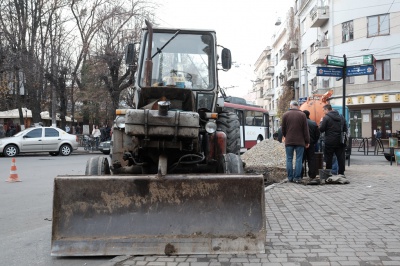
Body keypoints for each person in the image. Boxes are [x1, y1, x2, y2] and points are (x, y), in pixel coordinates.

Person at [281, 100, 310, 183]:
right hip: (300, 141)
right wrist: (307, 141)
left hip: (289, 141)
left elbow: (283, 129)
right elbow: (305, 130)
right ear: (298, 106)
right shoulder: (302, 115)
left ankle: (290, 177)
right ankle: (297, 178)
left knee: (289, 159)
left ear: (290, 106)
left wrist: (286, 136)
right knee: (299, 159)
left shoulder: (285, 115)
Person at [319, 104, 348, 176]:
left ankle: (328, 173)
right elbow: (345, 129)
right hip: (340, 141)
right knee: (340, 158)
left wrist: (321, 122)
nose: (323, 112)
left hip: (329, 141)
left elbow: (321, 129)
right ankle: (341, 173)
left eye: (323, 110)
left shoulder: (326, 118)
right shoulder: (341, 117)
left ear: (327, 109)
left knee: (329, 158)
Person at [302, 110, 320, 179]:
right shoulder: (313, 123)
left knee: (300, 159)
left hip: (302, 144)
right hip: (311, 144)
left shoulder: (301, 123)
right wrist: (314, 141)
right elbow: (317, 134)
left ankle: (300, 174)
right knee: (311, 159)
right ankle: (312, 174)